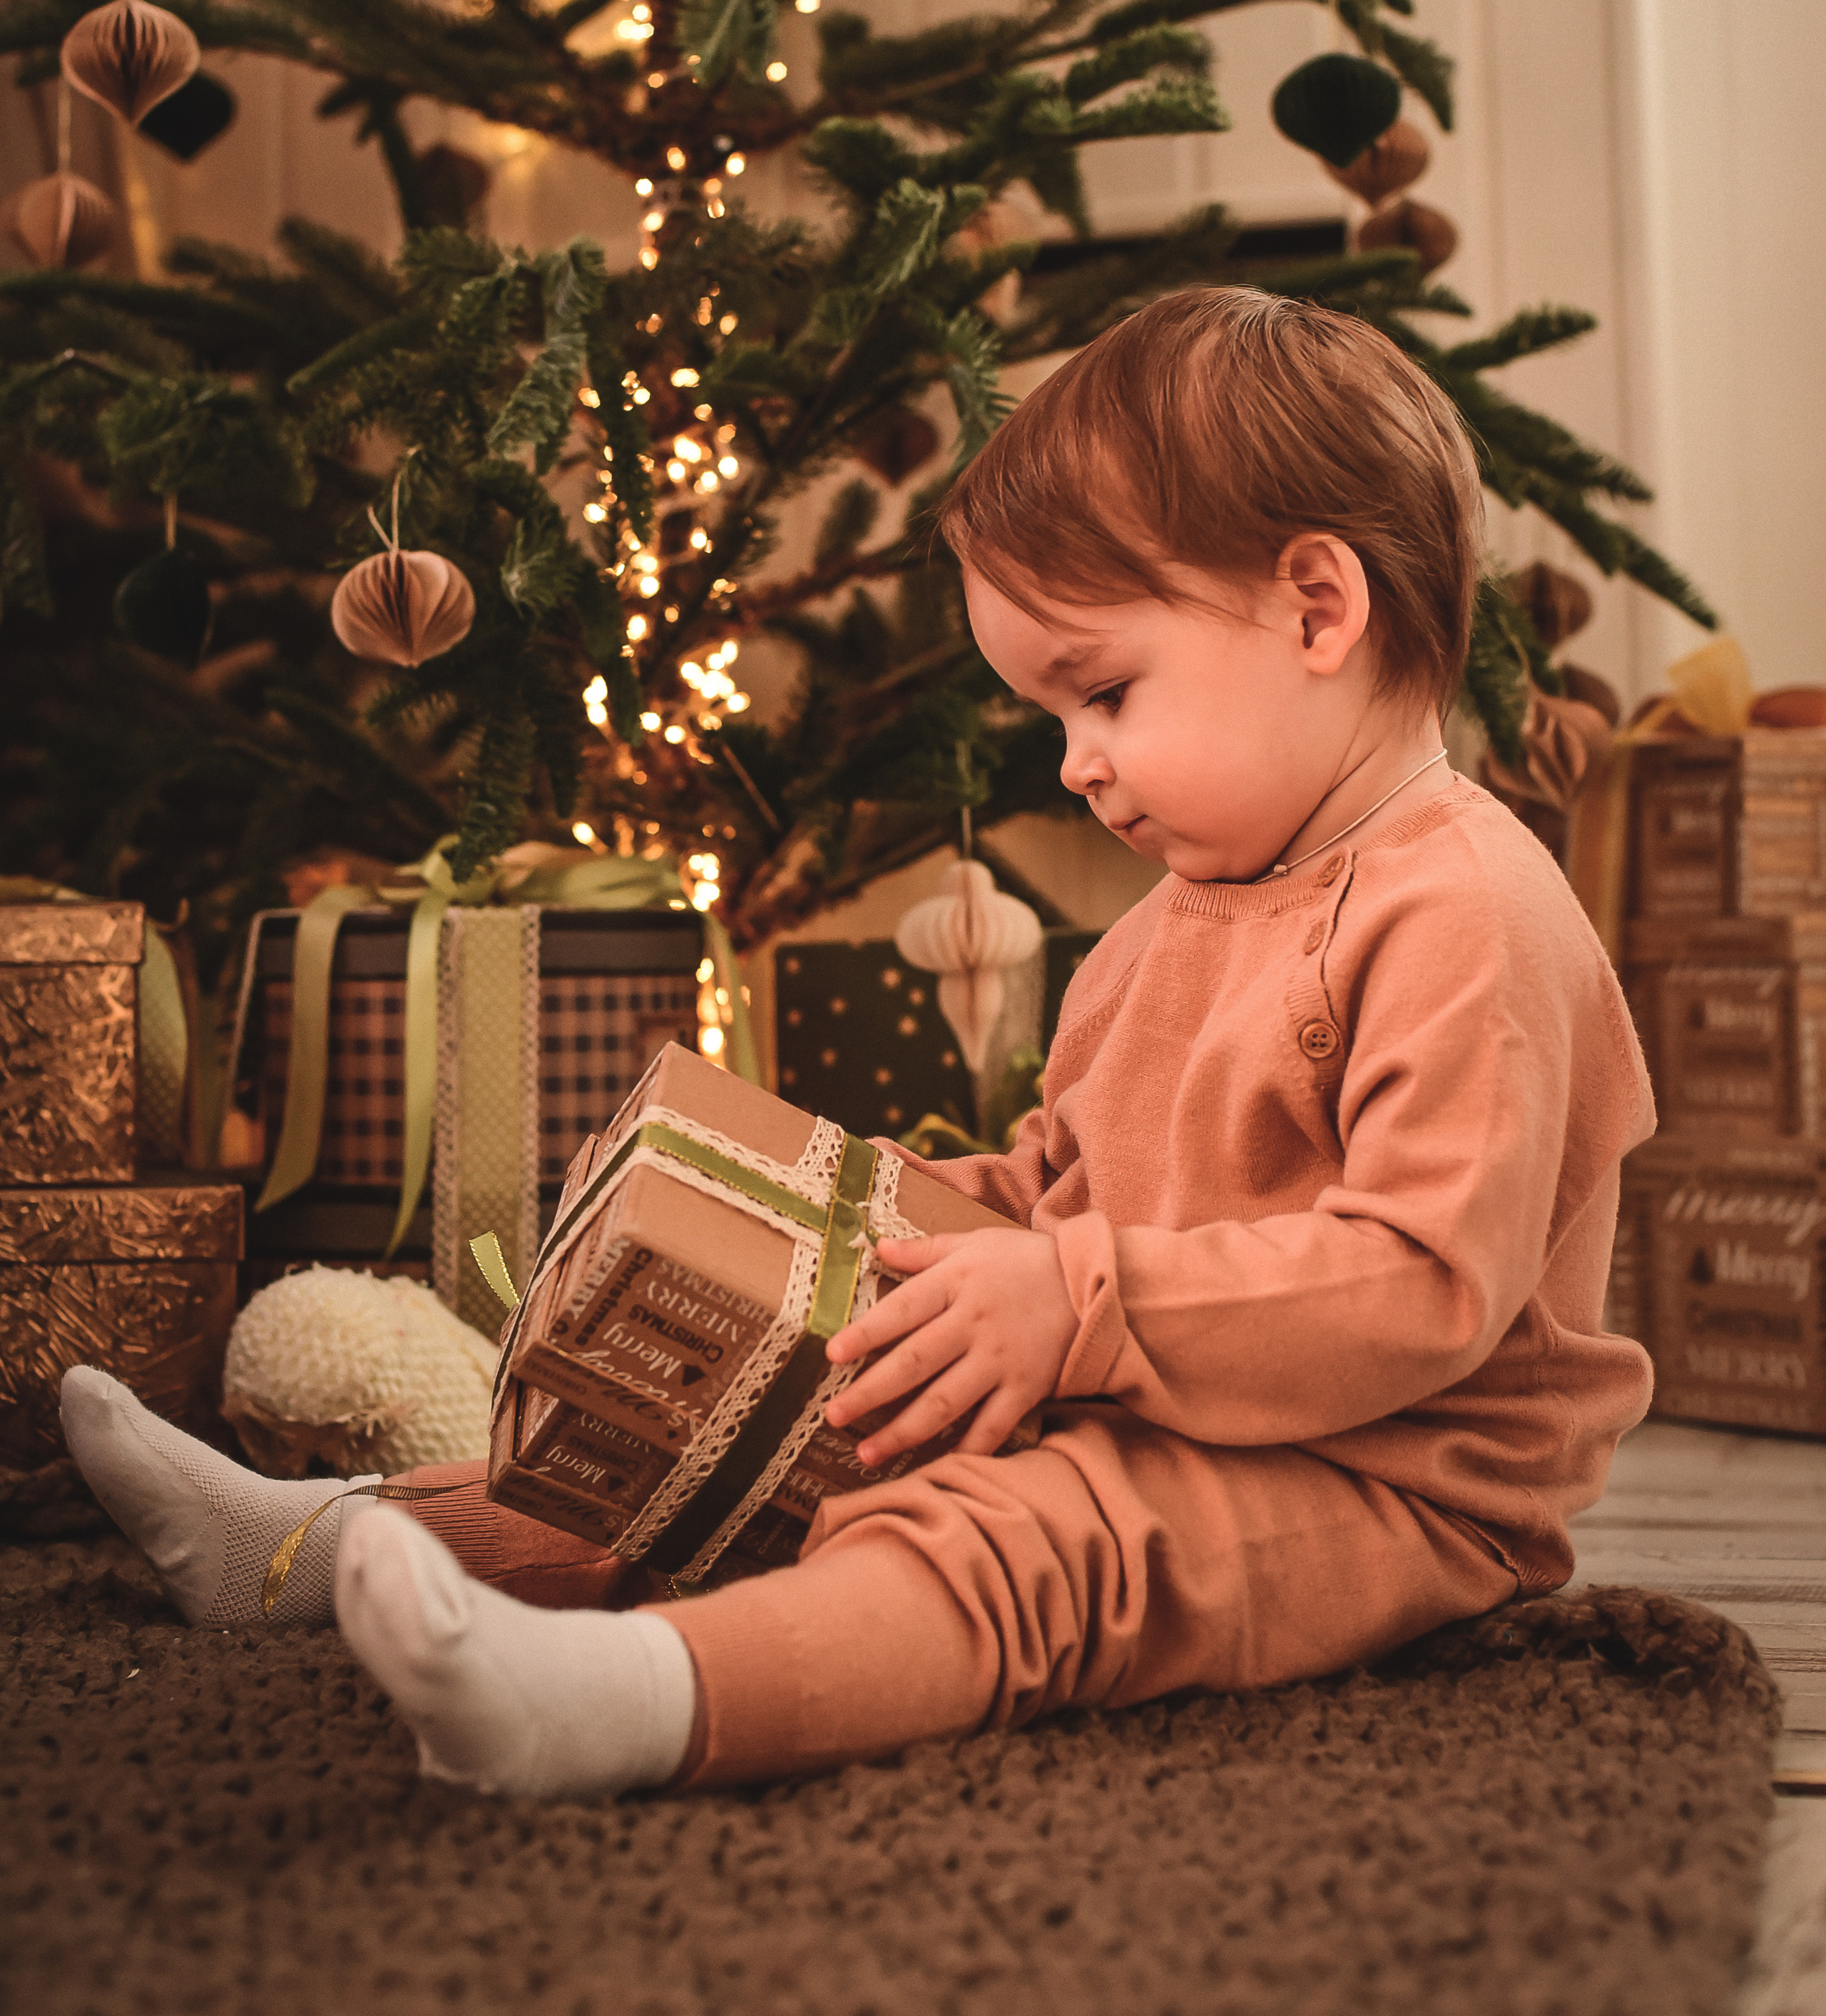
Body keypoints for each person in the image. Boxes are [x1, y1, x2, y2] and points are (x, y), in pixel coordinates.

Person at [61, 287, 1656, 1803]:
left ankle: (633, 1703)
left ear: (1317, 607)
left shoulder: (1466, 910)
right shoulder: (1172, 920)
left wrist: (1076, 1300)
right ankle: (307, 1549)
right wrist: (881, 1230)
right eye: (1052, 718)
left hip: (1382, 1481)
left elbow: (1422, 1284)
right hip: (1145, 1390)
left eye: (1102, 692)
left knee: (1025, 1540)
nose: (1076, 763)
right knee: (735, 1443)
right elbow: (1069, 1176)